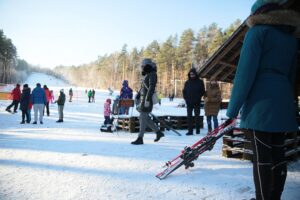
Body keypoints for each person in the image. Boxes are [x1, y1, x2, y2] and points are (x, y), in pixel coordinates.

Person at [226, 1, 299, 199]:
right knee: (278, 153)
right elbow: (292, 77)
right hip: (283, 100)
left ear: (258, 13)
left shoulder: (258, 33)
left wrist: (232, 110)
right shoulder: (292, 39)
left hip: (260, 104)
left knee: (262, 157)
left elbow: (245, 74)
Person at [131, 58, 164, 145]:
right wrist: (138, 95)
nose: (141, 67)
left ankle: (140, 138)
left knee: (142, 117)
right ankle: (158, 132)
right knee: (145, 118)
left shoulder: (153, 74)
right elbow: (143, 88)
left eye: (143, 65)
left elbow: (151, 87)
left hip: (147, 100)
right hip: (143, 100)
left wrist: (148, 99)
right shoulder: (147, 74)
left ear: (147, 65)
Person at [182, 68, 205, 135]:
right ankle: (190, 131)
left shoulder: (200, 82)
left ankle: (197, 129)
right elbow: (184, 92)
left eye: (193, 74)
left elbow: (202, 91)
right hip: (189, 103)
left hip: (197, 102)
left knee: (197, 117)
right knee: (189, 117)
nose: (192, 75)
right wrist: (186, 99)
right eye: (190, 74)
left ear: (195, 74)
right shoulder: (187, 82)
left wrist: (198, 98)